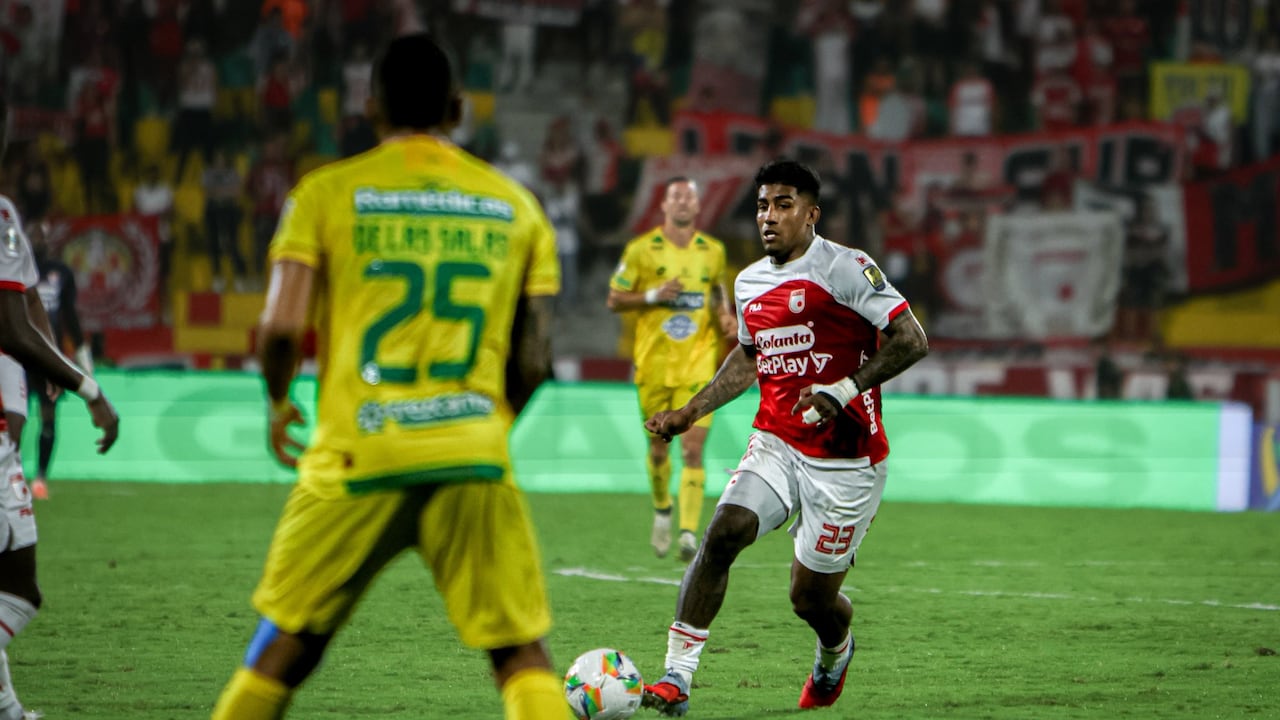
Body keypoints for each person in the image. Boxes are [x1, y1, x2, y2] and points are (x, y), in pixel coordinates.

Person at [210, 34, 570, 720]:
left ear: (370, 107)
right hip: (471, 456)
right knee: (520, 656)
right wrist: (482, 424)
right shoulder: (516, 206)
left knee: (284, 650)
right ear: (457, 108)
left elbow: (282, 329)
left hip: (355, 452)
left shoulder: (325, 194)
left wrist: (280, 400)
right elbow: (533, 361)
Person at [640, 160, 929, 716]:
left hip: (847, 461)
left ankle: (835, 650)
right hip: (776, 440)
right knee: (724, 532)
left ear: (811, 214)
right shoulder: (749, 282)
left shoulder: (847, 268)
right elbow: (751, 358)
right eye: (762, 205)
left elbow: (911, 340)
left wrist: (841, 391)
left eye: (783, 205)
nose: (768, 217)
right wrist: (690, 410)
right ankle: (676, 677)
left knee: (810, 599)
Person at [0, 92, 120, 720]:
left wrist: (54, 357)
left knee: (15, 582)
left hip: (15, 401)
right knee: (19, 586)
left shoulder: (10, 222)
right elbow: (13, 328)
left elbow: (35, 312)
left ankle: (6, 706)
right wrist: (89, 388)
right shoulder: (0, 214)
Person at [607, 177, 736, 561]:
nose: (682, 202)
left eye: (689, 197)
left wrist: (725, 317)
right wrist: (652, 295)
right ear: (663, 205)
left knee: (693, 451)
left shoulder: (712, 251)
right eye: (675, 196)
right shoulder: (641, 250)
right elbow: (615, 298)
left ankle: (687, 534)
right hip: (653, 366)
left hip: (697, 366)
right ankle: (663, 509)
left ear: (697, 207)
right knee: (659, 451)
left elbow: (717, 291)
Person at [23, 222, 92, 501]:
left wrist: (84, 360)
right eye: (33, 235)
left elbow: (70, 317)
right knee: (15, 417)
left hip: (49, 358)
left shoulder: (60, 273)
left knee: (48, 417)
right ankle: (10, 473)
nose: (38, 240)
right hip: (18, 355)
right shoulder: (14, 270)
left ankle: (40, 477)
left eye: (42, 235)